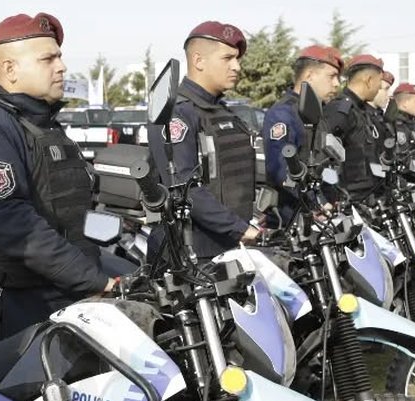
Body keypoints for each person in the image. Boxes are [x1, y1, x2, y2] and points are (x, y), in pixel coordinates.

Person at [0, 12, 118, 339]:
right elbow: (14, 224)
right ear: (10, 69)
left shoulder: (44, 127)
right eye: (48, 59)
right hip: (22, 312)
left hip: (75, 297)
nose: (61, 67)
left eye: (60, 57)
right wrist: (96, 282)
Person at [147, 20, 260, 258]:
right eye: (227, 58)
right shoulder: (177, 112)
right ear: (199, 61)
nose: (237, 66)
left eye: (237, 59)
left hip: (229, 244)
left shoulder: (222, 112)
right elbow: (184, 187)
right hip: (192, 253)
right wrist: (240, 229)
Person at [262, 45, 342, 225]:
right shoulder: (283, 113)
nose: (337, 83)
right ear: (309, 76)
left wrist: (333, 195)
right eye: (331, 76)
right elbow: (281, 170)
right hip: (292, 220)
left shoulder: (317, 114)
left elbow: (325, 164)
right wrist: (317, 203)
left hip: (321, 216)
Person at [322, 53, 387, 200]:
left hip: (368, 197)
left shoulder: (362, 111)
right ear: (369, 80)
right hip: (349, 199)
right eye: (379, 82)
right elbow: (324, 159)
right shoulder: (341, 110)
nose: (379, 88)